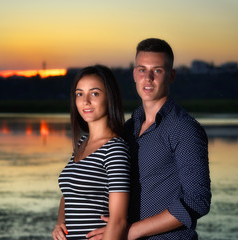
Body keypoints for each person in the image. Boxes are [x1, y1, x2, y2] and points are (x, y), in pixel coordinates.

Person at [87, 38, 211, 239]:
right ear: (134, 74)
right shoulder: (129, 127)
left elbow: (197, 201)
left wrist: (131, 231)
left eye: (158, 70)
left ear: (171, 76)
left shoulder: (184, 129)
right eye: (142, 69)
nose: (148, 78)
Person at [52, 65, 130, 240]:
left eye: (94, 93)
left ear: (109, 98)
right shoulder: (81, 143)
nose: (85, 101)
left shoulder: (115, 149)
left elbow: (118, 221)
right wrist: (59, 223)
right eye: (79, 94)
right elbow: (69, 194)